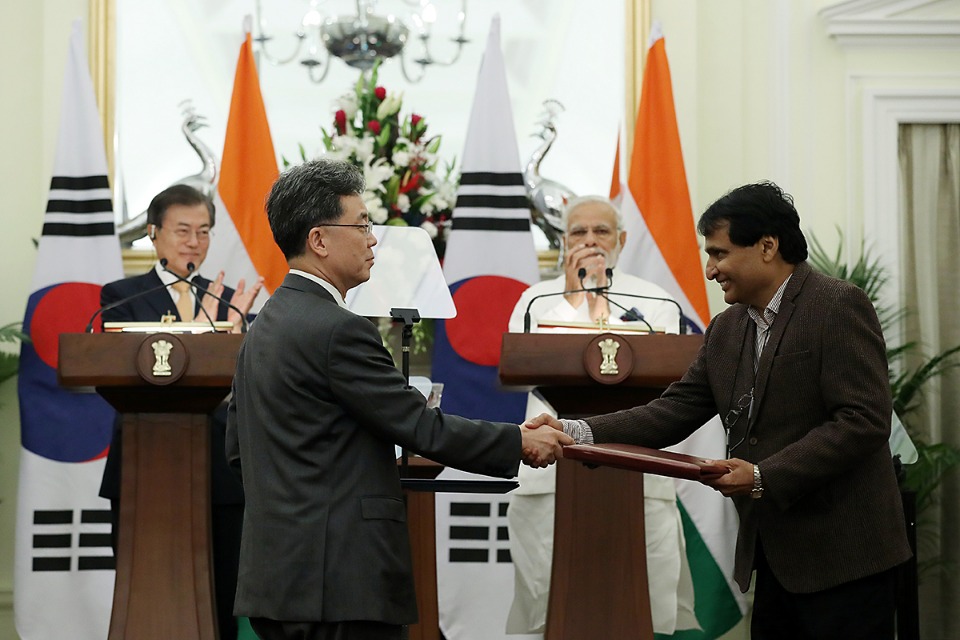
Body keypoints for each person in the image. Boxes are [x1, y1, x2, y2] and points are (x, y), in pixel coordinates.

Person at [528, 181, 911, 640]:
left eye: (720, 254)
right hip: (774, 560)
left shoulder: (836, 305)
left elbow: (863, 421)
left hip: (846, 561)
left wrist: (762, 475)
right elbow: (673, 411)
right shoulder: (727, 329)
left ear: (768, 246)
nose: (710, 270)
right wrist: (575, 431)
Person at [224, 159, 573, 640]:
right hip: (341, 586)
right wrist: (517, 441)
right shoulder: (338, 329)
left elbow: (238, 451)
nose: (373, 239)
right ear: (319, 239)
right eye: (363, 224)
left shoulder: (263, 327)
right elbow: (420, 428)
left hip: (279, 582)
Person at [505, 195, 698, 636]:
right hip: (552, 479)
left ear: (622, 240)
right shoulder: (536, 300)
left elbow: (669, 382)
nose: (590, 240)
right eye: (578, 232)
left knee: (639, 608)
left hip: (639, 477)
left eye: (601, 231)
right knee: (550, 609)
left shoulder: (654, 301)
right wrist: (576, 300)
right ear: (563, 240)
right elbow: (526, 365)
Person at [98, 183, 263, 639]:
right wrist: (202, 345)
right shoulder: (121, 295)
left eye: (204, 232)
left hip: (220, 474)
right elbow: (128, 373)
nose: (195, 242)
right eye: (183, 230)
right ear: (153, 233)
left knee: (223, 598)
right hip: (143, 470)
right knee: (145, 597)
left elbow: (247, 390)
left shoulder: (230, 301)